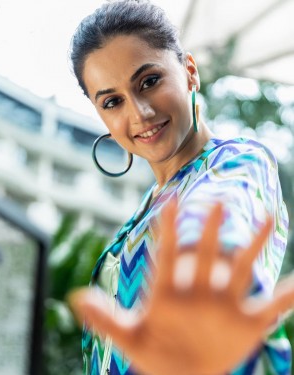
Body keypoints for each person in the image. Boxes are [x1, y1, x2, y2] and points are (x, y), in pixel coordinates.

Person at [68, 1, 294, 374]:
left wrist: (202, 297)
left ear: (190, 72)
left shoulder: (237, 163)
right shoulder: (149, 204)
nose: (139, 113)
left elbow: (217, 219)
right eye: (112, 101)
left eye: (150, 81)